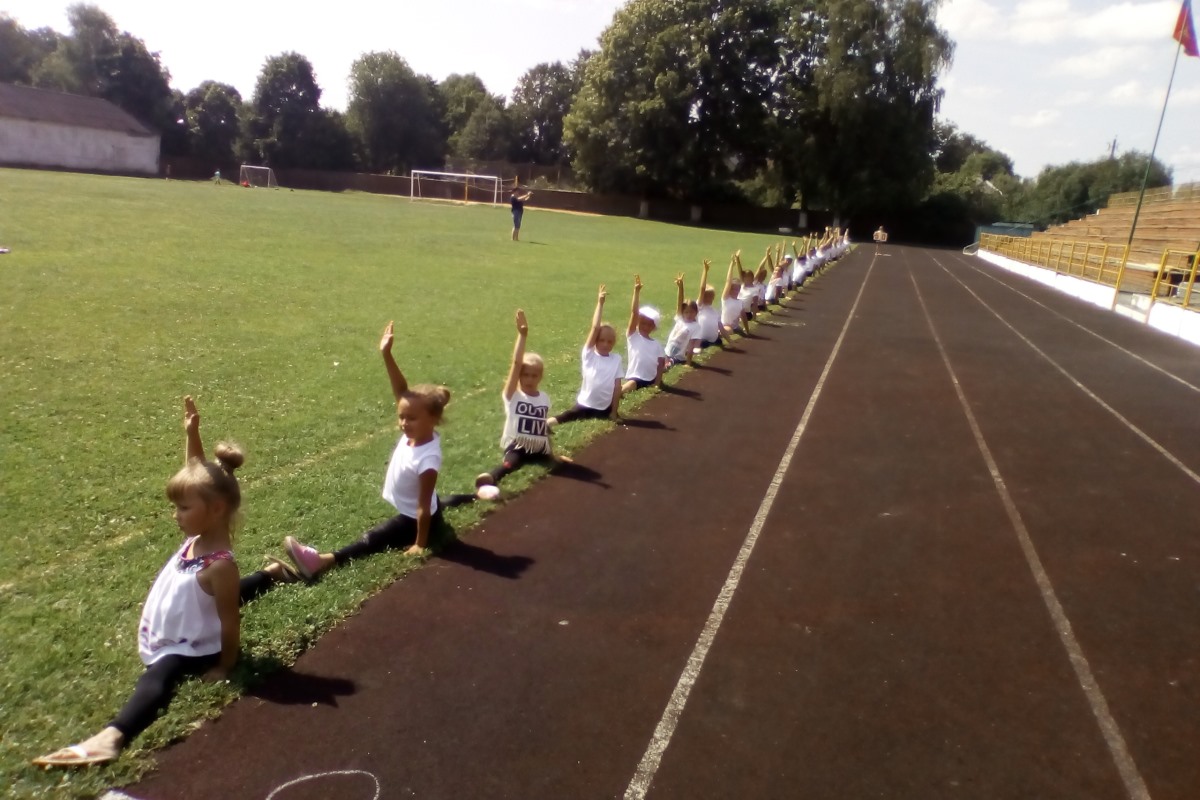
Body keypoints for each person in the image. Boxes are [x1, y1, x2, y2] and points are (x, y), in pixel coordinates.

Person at [32, 396, 297, 768]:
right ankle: (272, 575)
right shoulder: (202, 531)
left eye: (183, 509)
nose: (176, 515)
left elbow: (230, 621)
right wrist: (192, 436)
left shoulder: (220, 564)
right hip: (192, 608)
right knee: (224, 596)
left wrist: (225, 665)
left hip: (193, 644)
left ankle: (111, 737)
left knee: (163, 670)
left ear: (215, 510)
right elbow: (199, 479)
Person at [283, 321, 468, 578]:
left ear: (434, 419)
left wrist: (420, 543)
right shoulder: (418, 430)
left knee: (375, 538)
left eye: (411, 418)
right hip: (422, 505)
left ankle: (322, 561)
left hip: (414, 517)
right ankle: (470, 497)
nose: (404, 423)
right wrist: (387, 354)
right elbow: (402, 391)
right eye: (401, 417)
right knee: (441, 502)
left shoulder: (429, 459)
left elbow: (424, 506)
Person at [476, 309, 565, 492]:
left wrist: (552, 453)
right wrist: (522, 335)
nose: (529, 379)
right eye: (525, 375)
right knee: (511, 463)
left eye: (534, 376)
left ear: (540, 377)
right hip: (518, 446)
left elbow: (543, 427)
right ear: (519, 377)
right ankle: (492, 477)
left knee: (558, 465)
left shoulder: (544, 399)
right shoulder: (512, 396)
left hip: (539, 448)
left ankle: (551, 457)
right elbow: (516, 364)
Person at [548, 285, 624, 426]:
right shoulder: (589, 355)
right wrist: (600, 304)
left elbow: (617, 387)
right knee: (568, 416)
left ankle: (610, 413)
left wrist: (614, 412)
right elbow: (595, 328)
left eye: (610, 341)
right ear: (595, 341)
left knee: (612, 414)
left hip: (604, 408)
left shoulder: (616, 359)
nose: (606, 344)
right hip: (585, 404)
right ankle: (545, 424)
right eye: (601, 340)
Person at [622, 275, 666, 394]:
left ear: (654, 327)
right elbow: (634, 313)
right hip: (636, 377)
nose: (645, 327)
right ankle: (618, 393)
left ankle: (618, 393)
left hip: (650, 379)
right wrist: (636, 292)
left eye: (649, 325)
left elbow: (661, 363)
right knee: (632, 384)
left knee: (635, 384)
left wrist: (657, 382)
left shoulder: (656, 344)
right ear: (637, 323)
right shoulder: (633, 336)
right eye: (643, 323)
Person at [665, 273, 702, 366]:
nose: (689, 315)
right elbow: (680, 302)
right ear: (682, 312)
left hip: (678, 357)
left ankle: (667, 365)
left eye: (692, 312)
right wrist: (680, 287)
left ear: (696, 312)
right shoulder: (680, 318)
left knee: (669, 364)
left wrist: (688, 362)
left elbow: (691, 345)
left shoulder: (695, 327)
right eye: (686, 312)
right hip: (667, 351)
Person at [695, 259, 727, 349]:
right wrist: (705, 271)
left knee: (719, 341)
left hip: (714, 339)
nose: (711, 298)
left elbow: (721, 327)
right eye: (709, 296)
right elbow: (702, 288)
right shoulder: (699, 306)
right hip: (702, 340)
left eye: (712, 296)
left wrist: (731, 341)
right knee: (704, 344)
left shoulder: (714, 311)